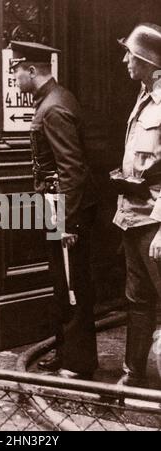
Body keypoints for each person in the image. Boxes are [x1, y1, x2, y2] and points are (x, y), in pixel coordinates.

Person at [10, 41, 98, 380]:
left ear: (32, 71)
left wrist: (69, 221)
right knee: (63, 282)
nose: (15, 76)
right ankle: (66, 353)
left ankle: (77, 363)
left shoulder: (55, 107)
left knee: (72, 282)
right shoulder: (52, 100)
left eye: (16, 69)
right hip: (56, 204)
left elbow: (72, 169)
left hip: (65, 208)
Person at [113, 23, 161, 388]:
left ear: (147, 59)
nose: (125, 59)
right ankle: (134, 374)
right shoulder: (145, 96)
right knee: (138, 298)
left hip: (155, 217)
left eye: (130, 54)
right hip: (133, 213)